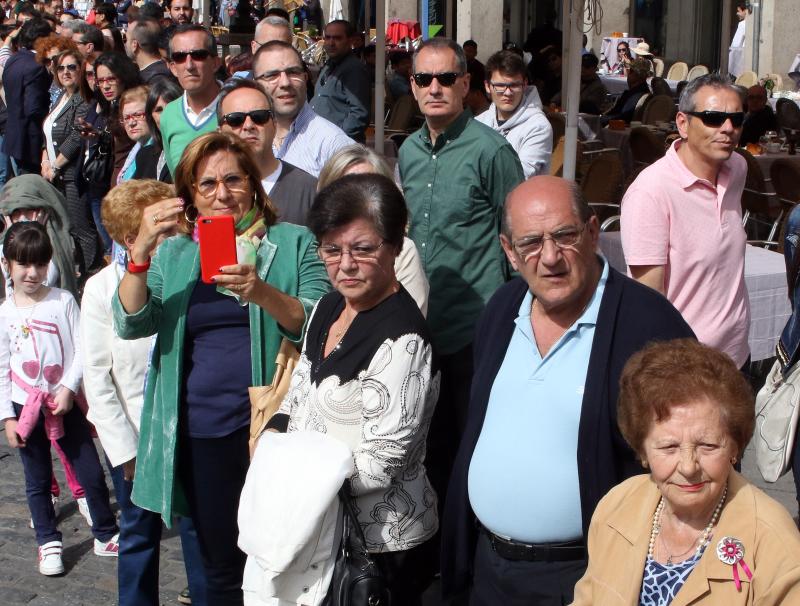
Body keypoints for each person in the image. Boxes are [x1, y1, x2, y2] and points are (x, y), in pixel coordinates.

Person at [441, 176, 694, 605]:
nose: (551, 258)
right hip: (489, 571)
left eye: (565, 236)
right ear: (509, 252)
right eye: (531, 244)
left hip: (585, 577)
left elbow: (696, 453)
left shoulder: (649, 326)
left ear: (593, 232)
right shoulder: (502, 310)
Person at [112, 131, 329, 605]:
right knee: (219, 566)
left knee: (280, 559)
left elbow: (317, 323)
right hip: (202, 431)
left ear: (253, 185)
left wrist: (262, 293)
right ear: (190, 196)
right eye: (206, 184)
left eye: (233, 179)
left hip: (272, 430)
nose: (221, 193)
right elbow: (132, 323)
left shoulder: (291, 243)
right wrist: (140, 256)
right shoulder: (177, 252)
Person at [266, 173, 440, 605]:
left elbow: (385, 460)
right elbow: (299, 391)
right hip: (320, 525)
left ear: (396, 247)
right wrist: (272, 442)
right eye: (332, 249)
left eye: (363, 249)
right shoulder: (327, 306)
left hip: (381, 542)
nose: (345, 264)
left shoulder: (403, 337)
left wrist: (295, 480)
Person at [572, 339, 800, 604]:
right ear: (643, 451)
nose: (689, 466)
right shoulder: (617, 506)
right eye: (669, 447)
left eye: (708, 445)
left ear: (735, 449)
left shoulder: (774, 542)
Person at [399, 37, 524, 514]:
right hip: (419, 324)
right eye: (424, 79)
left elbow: (519, 239)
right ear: (412, 87)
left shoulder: (492, 152)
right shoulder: (408, 151)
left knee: (468, 449)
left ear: (466, 84)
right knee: (423, 447)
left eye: (446, 78)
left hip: (475, 326)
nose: (435, 88)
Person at [83, 179, 208, 606]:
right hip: (138, 436)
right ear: (130, 238)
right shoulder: (101, 290)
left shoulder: (189, 270)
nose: (176, 236)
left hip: (189, 429)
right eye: (164, 229)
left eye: (178, 226)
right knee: (138, 534)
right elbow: (98, 378)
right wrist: (127, 453)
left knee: (199, 533)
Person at [0, 221, 120, 576]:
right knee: (36, 479)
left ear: (49, 263)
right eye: (23, 264)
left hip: (65, 404)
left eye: (39, 264)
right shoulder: (5, 313)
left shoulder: (63, 300)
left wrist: (68, 388)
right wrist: (8, 417)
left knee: (90, 471)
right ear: (8, 264)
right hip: (26, 408)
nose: (32, 272)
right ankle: (48, 542)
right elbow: (3, 367)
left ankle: (105, 533)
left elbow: (81, 348)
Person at [621, 73, 750, 371]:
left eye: (737, 119)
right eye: (713, 118)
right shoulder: (650, 193)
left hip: (736, 358)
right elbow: (648, 303)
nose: (728, 128)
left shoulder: (737, 169)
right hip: (686, 369)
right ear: (683, 124)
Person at [317, 144, 429, 316]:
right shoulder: (309, 246)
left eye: (369, 188)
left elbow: (405, 324)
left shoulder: (403, 251)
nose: (359, 199)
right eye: (345, 190)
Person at [216, 78, 318, 226]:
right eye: (236, 119)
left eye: (259, 116)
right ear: (219, 131)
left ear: (274, 125)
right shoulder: (210, 193)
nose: (249, 125)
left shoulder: (309, 190)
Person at [253, 40, 354, 177]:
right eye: (272, 75)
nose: (285, 83)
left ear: (305, 79)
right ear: (256, 85)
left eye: (293, 72)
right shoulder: (248, 138)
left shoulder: (333, 144)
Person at [79, 51, 142, 257]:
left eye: (111, 79)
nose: (105, 86)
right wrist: (98, 134)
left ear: (123, 77)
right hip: (111, 185)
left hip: (130, 187)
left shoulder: (135, 102)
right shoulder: (110, 106)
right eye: (100, 81)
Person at [40, 49, 97, 275]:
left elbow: (75, 137)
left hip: (74, 174)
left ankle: (90, 272)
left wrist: (55, 165)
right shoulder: (61, 96)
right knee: (67, 227)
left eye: (71, 67)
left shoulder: (83, 99)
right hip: (55, 173)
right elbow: (48, 132)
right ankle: (78, 272)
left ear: (81, 70)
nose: (65, 72)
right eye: (61, 67)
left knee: (81, 227)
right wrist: (45, 160)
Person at [477, 49, 552, 178]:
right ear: (487, 86)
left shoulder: (538, 126)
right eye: (500, 86)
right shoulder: (478, 123)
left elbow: (520, 176)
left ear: (524, 84)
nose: (508, 93)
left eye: (514, 85)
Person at [161, 24, 221, 176]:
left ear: (215, 63)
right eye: (180, 57)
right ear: (173, 67)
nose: (189, 65)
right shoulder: (169, 113)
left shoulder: (237, 108)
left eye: (198, 55)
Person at [2, 17, 51, 176]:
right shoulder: (36, 66)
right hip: (30, 141)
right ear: (40, 40)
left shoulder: (13, 60)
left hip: (14, 137)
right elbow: (34, 107)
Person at [311, 19, 369, 142]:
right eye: (328, 37)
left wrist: (338, 138)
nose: (331, 43)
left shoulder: (354, 69)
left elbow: (359, 114)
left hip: (338, 148)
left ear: (350, 41)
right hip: (318, 142)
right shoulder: (328, 66)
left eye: (337, 38)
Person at [133, 75, 182, 181]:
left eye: (171, 107)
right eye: (158, 110)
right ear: (151, 117)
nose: (166, 115)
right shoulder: (144, 155)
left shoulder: (191, 150)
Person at [117, 85, 151, 184]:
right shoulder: (136, 150)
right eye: (127, 118)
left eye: (138, 115)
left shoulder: (160, 151)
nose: (132, 123)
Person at [603, 58, 651, 124]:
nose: (628, 74)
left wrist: (602, 119)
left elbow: (624, 116)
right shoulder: (641, 90)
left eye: (631, 71)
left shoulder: (636, 95)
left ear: (638, 75)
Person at [126, 17, 172, 83]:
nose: (125, 43)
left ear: (134, 45)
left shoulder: (156, 79)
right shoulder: (166, 68)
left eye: (127, 39)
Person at [729, 2, 748, 79]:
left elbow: (736, 44)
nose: (737, 13)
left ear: (745, 11)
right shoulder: (751, 24)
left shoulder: (742, 24)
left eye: (739, 11)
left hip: (740, 57)